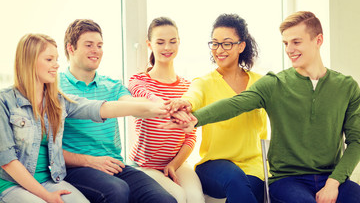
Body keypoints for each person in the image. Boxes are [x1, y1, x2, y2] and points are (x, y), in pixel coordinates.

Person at [167, 11, 360, 203]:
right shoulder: (275, 84)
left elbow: (356, 141)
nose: (289, 49)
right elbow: (235, 104)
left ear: (318, 40)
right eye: (285, 43)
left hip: (323, 178)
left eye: (296, 42)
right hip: (286, 180)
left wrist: (334, 183)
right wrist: (195, 118)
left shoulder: (347, 87)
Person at [0, 33, 168, 203]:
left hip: (48, 180)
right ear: (29, 61)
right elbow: (8, 162)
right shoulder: (4, 101)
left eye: (56, 59)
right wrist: (46, 197)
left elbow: (100, 108)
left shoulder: (56, 101)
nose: (56, 65)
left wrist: (160, 107)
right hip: (11, 183)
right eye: (49, 59)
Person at [59, 19, 176, 203]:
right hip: (76, 168)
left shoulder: (112, 85)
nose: (96, 50)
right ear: (71, 48)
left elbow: (133, 105)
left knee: (164, 200)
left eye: (99, 45)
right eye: (89, 45)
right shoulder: (56, 87)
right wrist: (90, 161)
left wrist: (167, 108)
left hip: (114, 165)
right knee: (116, 191)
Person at [168, 13, 267, 203]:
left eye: (227, 43)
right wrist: (185, 103)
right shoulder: (204, 82)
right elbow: (193, 96)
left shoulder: (260, 83)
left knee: (246, 189)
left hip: (253, 166)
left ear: (241, 46)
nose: (219, 50)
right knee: (235, 179)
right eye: (215, 43)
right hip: (213, 166)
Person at [127, 17, 205, 203]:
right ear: (149, 44)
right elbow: (143, 95)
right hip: (145, 166)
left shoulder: (188, 87)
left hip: (176, 164)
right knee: (176, 197)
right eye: (160, 42)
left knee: (195, 198)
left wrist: (174, 164)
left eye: (172, 41)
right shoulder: (139, 80)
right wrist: (171, 107)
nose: (167, 48)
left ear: (179, 42)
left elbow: (191, 136)